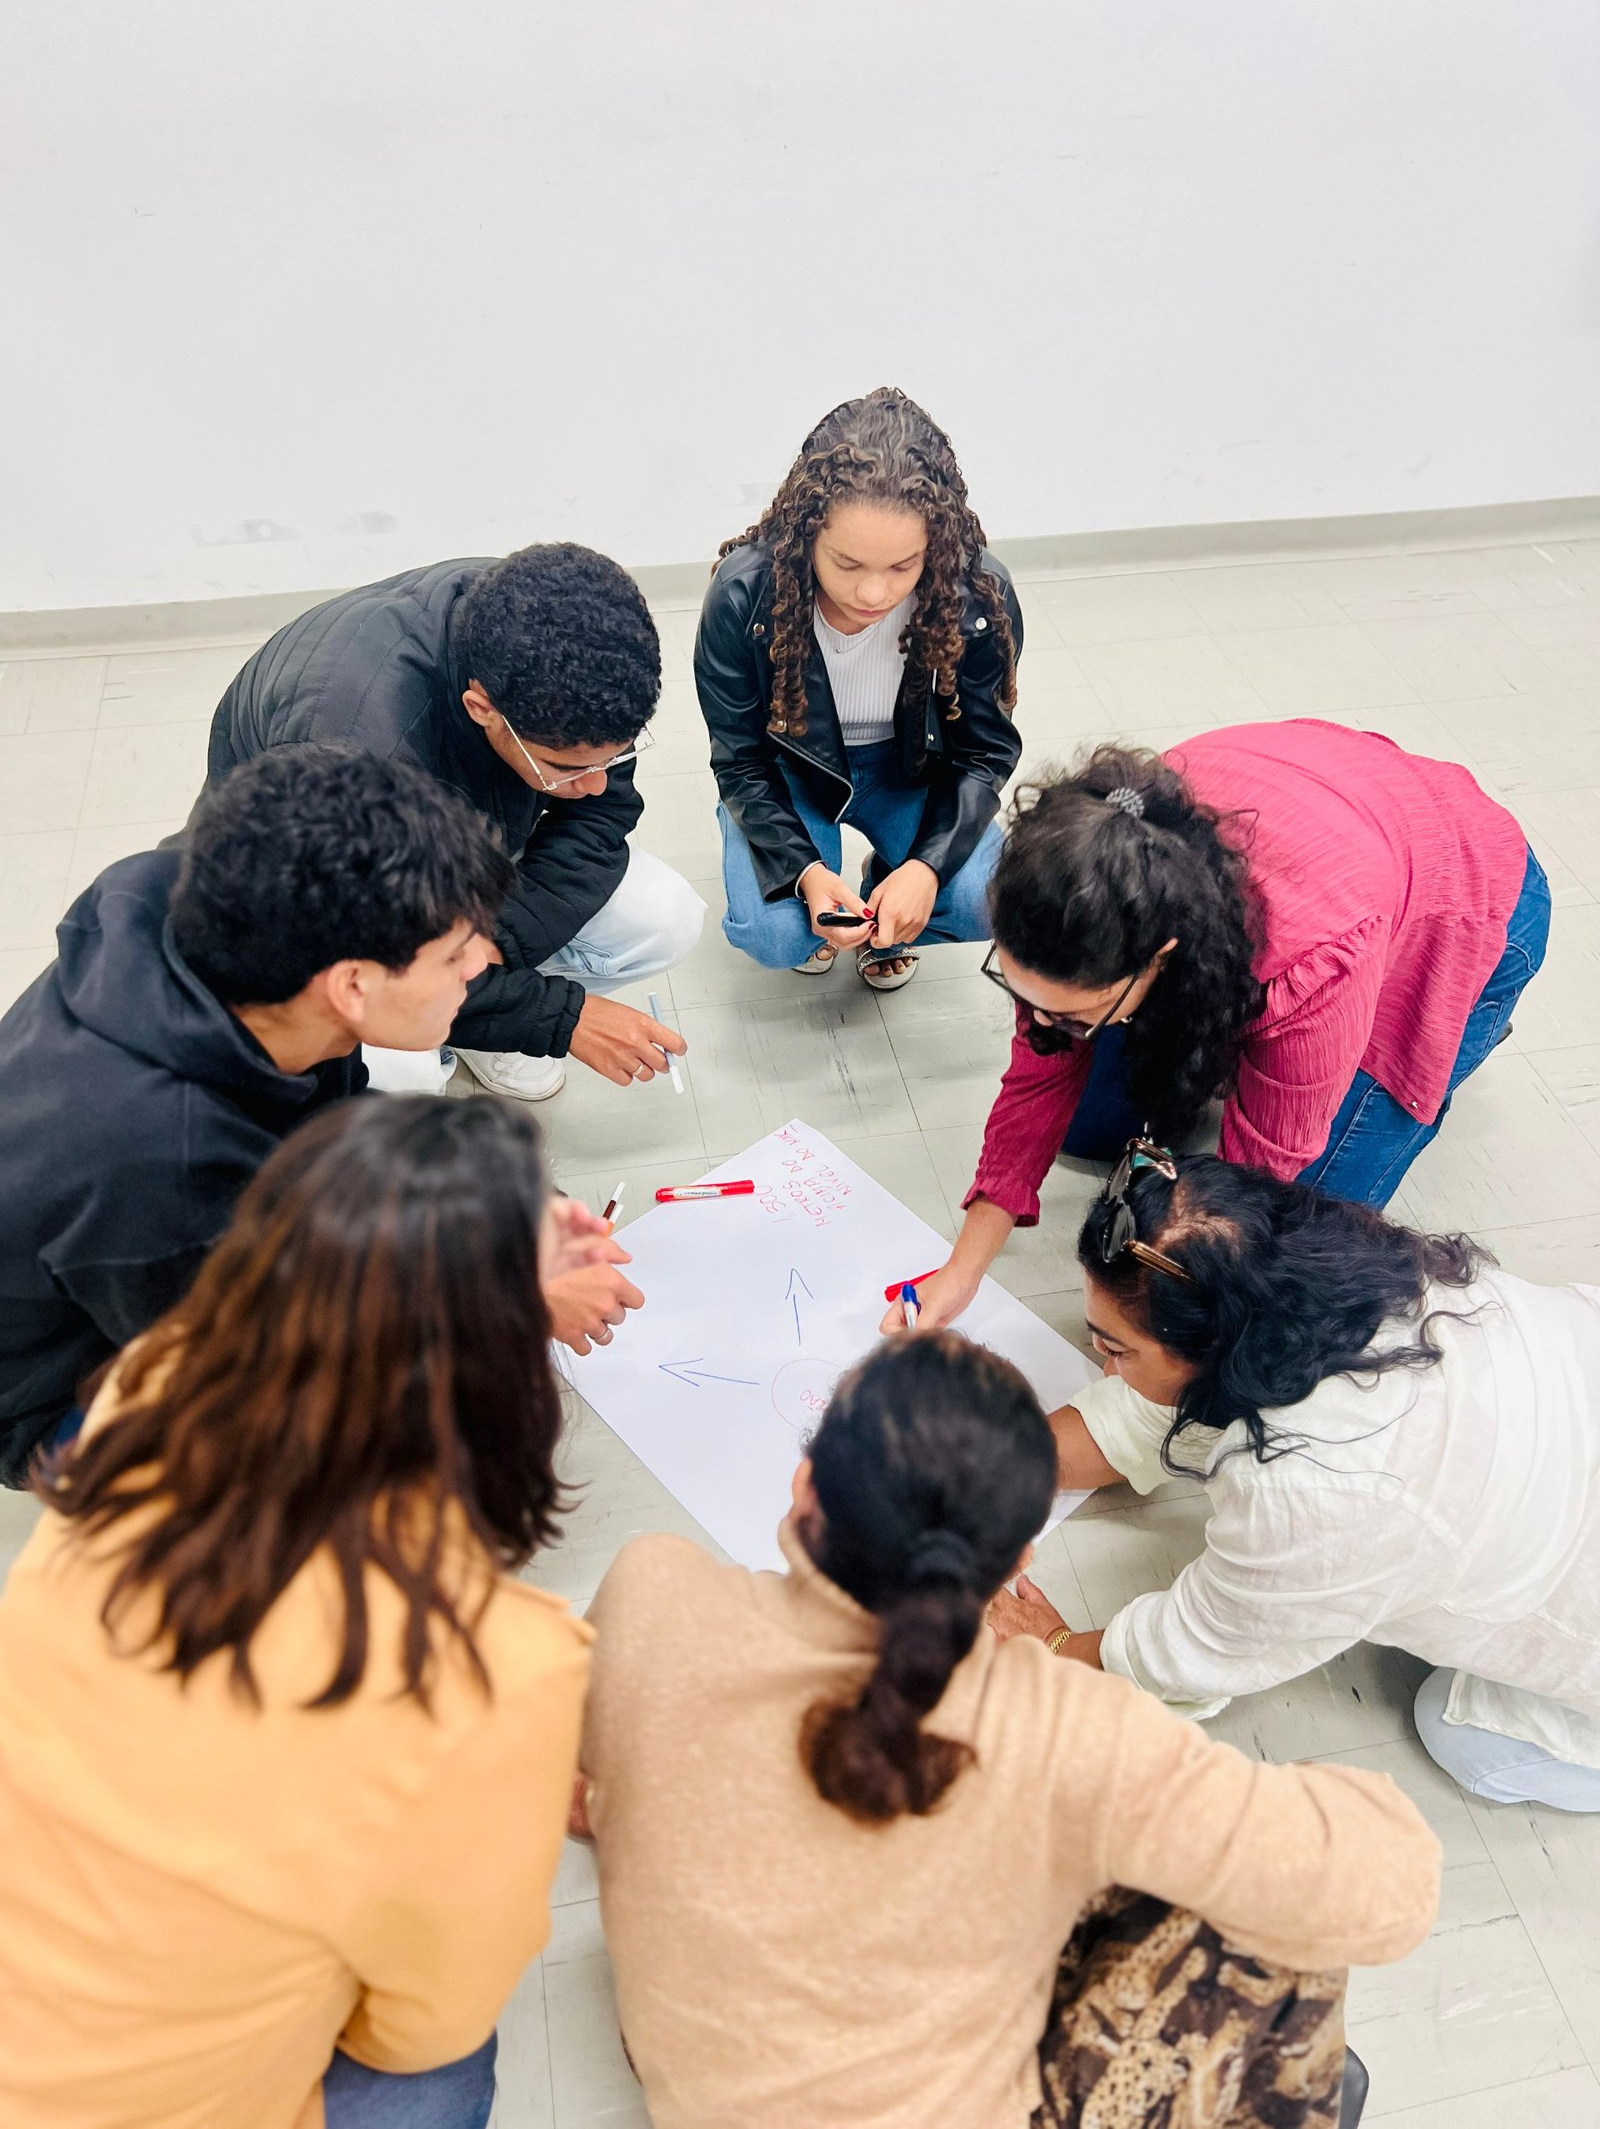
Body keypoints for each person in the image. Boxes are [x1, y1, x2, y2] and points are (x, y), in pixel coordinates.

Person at [579, 1333, 1438, 2129]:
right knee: (1272, 1944)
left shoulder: (652, 1583)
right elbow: (1393, 1898)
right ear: (1018, 1561)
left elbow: (602, 1749)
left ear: (805, 1484)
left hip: (694, 2085)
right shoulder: (1057, 1723)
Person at [0, 1095, 595, 2129]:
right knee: (445, 2069)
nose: (580, 1228)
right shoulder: (499, 1664)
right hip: (157, 2101)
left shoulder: (154, 1384)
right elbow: (424, 2027)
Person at [985, 1144, 1600, 1814]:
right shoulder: (1328, 1273)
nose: (1104, 1367)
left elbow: (1210, 1641)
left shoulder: (1320, 1486)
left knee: (1459, 1733)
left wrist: (1054, 1647)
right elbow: (1161, 1395)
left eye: (1117, 1349)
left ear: (1211, 1349)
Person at [885, 721, 1547, 1334]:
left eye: (1072, 1011)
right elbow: (1037, 1084)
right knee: (1092, 1126)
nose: (1045, 1024)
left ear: (1160, 959)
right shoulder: (1072, 888)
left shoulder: (1310, 960)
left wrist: (1140, 1327)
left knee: (1295, 1252)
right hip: (1345, 811)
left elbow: (1254, 1181)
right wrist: (962, 1272)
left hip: (1461, 897)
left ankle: (1462, 1028)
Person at [0, 747, 516, 1485]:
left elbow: (332, 1129)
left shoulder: (213, 925)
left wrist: (499, 1213)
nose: (482, 963)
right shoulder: (158, 1164)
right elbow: (252, 1365)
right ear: (352, 986)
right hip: (57, 1390)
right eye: (456, 954)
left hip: (146, 1253)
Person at [202, 542, 703, 1100]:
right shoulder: (347, 752)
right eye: (566, 768)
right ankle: (438, 1040)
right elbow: (364, 959)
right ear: (481, 708)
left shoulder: (553, 637)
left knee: (664, 917)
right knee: (400, 1078)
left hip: (453, 841)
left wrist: (497, 941)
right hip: (315, 910)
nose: (594, 785)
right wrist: (563, 1018)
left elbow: (598, 817)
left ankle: (477, 1030)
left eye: (611, 758)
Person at [695, 386, 1023, 992]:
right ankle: (826, 909)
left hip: (909, 768)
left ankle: (883, 898)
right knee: (777, 934)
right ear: (806, 533)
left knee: (992, 902)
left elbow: (983, 755)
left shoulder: (976, 599)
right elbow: (740, 762)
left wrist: (925, 869)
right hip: (790, 767)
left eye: (903, 566)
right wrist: (807, 873)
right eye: (847, 564)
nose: (874, 594)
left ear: (937, 545)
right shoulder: (743, 597)